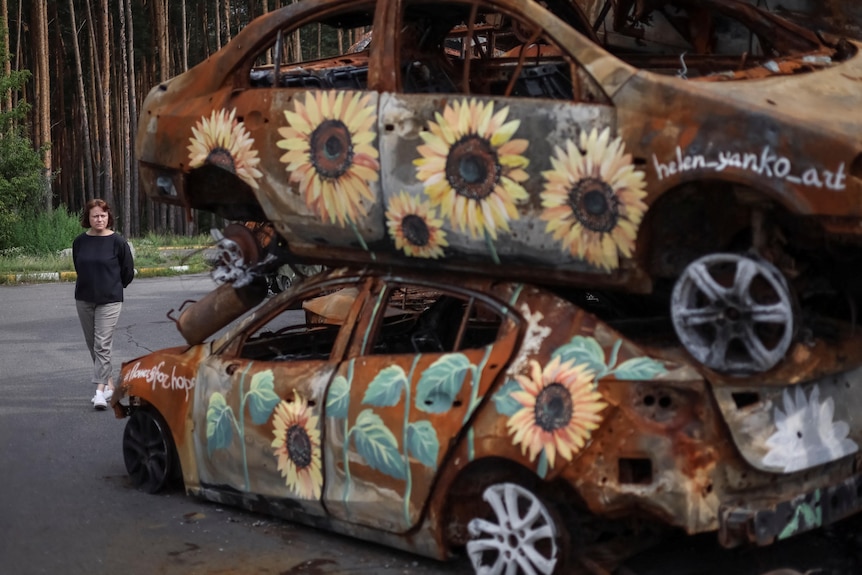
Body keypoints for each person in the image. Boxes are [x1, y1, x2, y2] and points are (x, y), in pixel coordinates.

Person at [73, 199, 135, 410]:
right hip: (84, 299)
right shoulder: (80, 242)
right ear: (88, 218)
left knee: (102, 344)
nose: (99, 219)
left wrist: (114, 286)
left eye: (103, 215)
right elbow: (79, 267)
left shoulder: (118, 242)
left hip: (109, 300)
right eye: (95, 216)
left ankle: (99, 392)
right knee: (94, 345)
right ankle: (109, 385)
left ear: (109, 217)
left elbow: (127, 271)